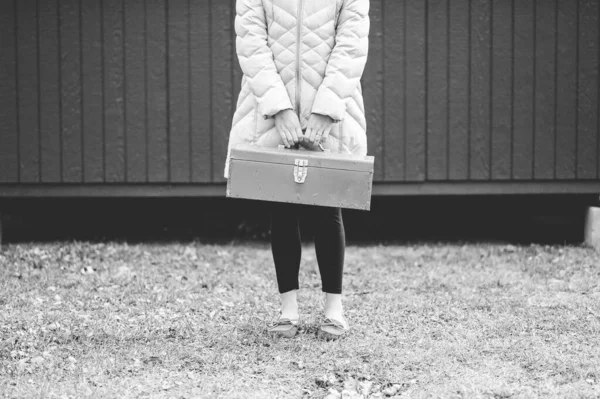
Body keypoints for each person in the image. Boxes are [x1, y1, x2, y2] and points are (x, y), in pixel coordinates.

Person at [225, 0, 370, 339]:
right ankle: (287, 310)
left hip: (332, 110)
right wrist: (279, 108)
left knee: (328, 204)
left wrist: (327, 109)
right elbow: (251, 43)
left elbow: (351, 45)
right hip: (272, 109)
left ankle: (334, 310)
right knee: (282, 205)